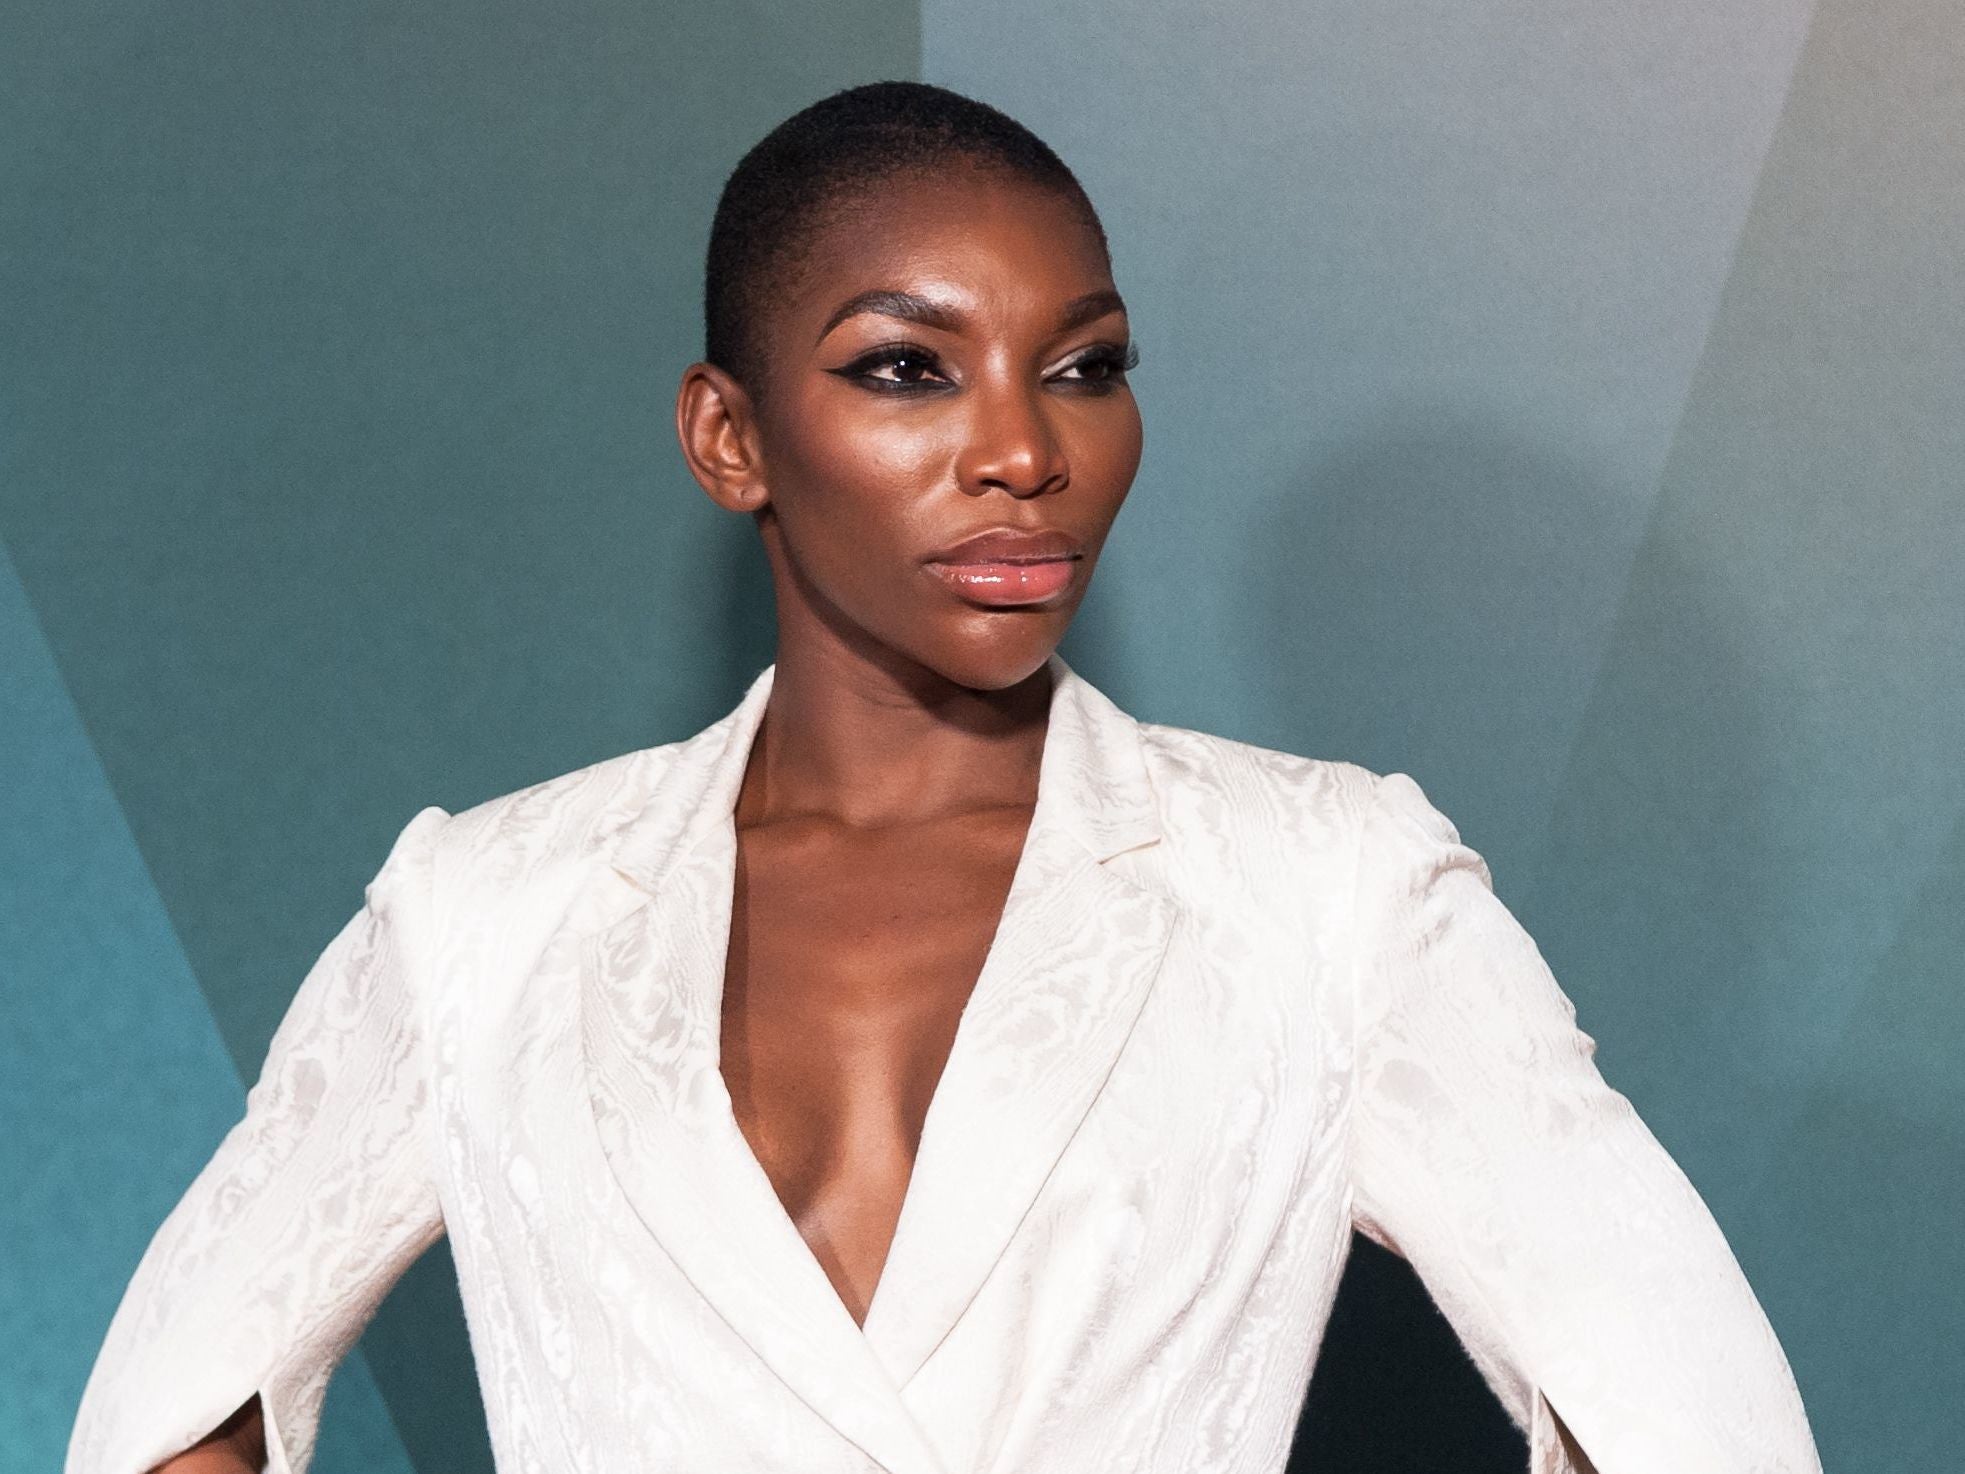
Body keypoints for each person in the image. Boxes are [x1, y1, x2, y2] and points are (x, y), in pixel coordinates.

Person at [68, 81, 1821, 1474]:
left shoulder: (1325, 890)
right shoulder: (488, 910)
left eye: (1086, 367)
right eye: (906, 368)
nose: (1021, 447)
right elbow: (175, 1403)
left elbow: (1696, 1418)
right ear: (729, 436)